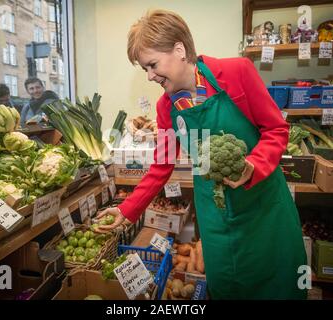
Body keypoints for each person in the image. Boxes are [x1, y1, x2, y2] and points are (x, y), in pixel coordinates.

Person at [96, 9, 307, 300]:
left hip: (263, 209)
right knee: (228, 288)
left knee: (277, 285)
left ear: (179, 50)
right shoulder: (166, 108)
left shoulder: (236, 73)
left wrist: (252, 166)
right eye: (144, 69)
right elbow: (161, 167)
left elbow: (276, 129)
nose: (149, 76)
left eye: (152, 65)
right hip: (215, 218)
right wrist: (126, 210)